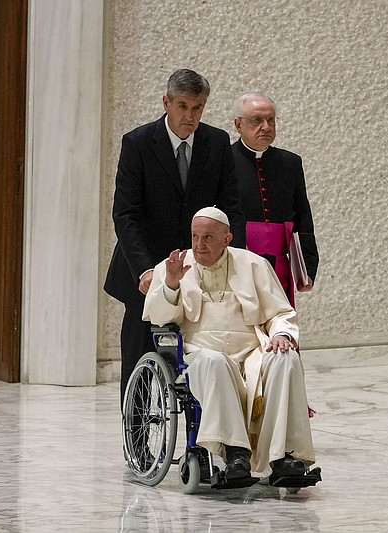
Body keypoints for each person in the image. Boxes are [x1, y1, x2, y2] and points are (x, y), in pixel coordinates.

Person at [142, 207, 318, 487]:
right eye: (195, 237)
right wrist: (172, 286)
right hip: (200, 352)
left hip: (252, 352)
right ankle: (236, 453)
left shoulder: (254, 264)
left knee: (286, 359)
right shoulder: (174, 266)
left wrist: (282, 335)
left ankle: (283, 456)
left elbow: (280, 313)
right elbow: (161, 320)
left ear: (227, 239)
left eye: (208, 238)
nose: (199, 246)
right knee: (215, 362)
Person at [104, 69, 246, 409]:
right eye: (183, 107)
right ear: (166, 103)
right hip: (145, 268)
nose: (190, 117)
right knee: (139, 351)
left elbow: (230, 209)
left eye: (198, 108)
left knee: (203, 350)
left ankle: (205, 434)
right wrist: (144, 271)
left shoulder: (216, 143)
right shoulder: (137, 143)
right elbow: (125, 214)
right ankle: (136, 431)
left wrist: (228, 259)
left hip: (201, 265)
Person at [231, 92, 319, 307]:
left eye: (271, 119)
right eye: (256, 120)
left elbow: (303, 215)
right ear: (238, 124)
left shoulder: (290, 163)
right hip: (236, 262)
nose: (266, 126)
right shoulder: (224, 162)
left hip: (279, 264)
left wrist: (307, 267)